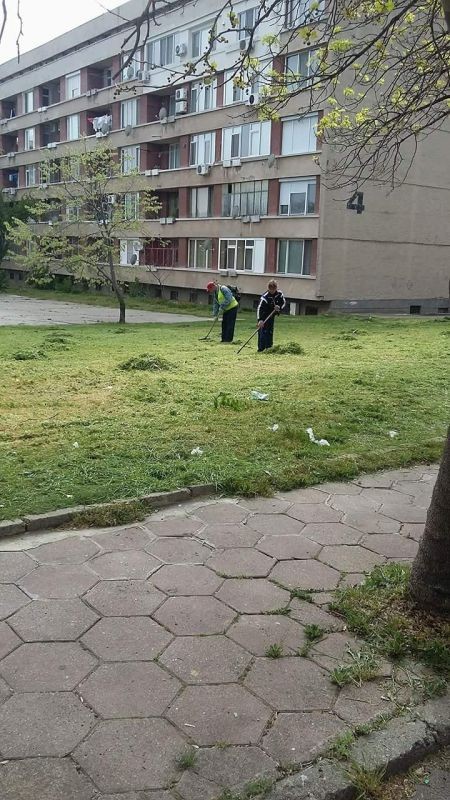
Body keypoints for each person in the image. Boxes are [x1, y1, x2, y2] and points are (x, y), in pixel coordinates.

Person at [257, 280, 286, 351]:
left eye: (274, 289)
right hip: (263, 315)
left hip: (272, 315)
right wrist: (260, 320)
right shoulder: (264, 297)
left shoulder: (279, 294)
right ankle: (261, 348)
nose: (272, 291)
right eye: (271, 289)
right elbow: (259, 309)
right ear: (268, 288)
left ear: (276, 288)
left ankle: (269, 347)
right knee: (262, 332)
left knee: (270, 331)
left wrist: (279, 307)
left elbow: (283, 302)